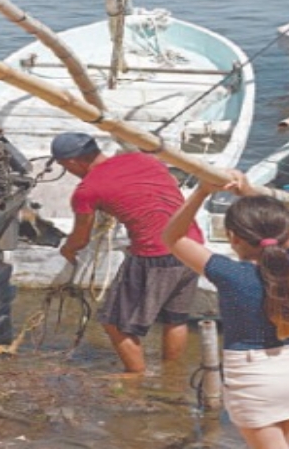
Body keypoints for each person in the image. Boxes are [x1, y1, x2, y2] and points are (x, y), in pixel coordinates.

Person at [163, 172, 289, 449]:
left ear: (232, 238)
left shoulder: (231, 274)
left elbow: (172, 237)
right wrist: (249, 193)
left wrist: (201, 193)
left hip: (254, 378)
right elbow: (288, 231)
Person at [53, 131, 204, 374]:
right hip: (193, 247)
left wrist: (68, 250)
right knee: (175, 318)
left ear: (72, 162)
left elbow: (80, 239)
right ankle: (171, 377)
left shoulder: (87, 190)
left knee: (115, 324)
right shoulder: (144, 159)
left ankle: (136, 378)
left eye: (63, 166)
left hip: (155, 255)